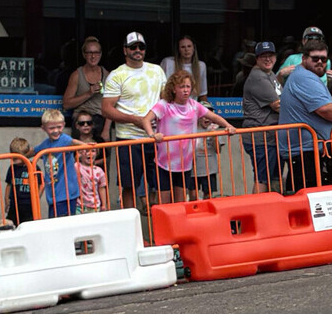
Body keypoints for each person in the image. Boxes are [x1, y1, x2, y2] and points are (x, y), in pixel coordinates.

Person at [145, 69, 233, 205]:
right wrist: (152, 134)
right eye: (181, 87)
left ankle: (177, 227)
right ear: (173, 89)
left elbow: (213, 116)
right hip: (164, 162)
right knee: (164, 203)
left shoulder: (194, 105)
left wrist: (228, 126)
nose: (185, 90)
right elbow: (146, 119)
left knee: (180, 203)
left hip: (185, 164)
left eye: (188, 86)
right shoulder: (164, 104)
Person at [101, 32, 166, 214]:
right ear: (125, 50)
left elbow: (165, 100)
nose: (137, 50)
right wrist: (135, 120)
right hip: (128, 139)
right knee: (129, 185)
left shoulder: (157, 70)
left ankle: (158, 229)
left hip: (156, 137)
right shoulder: (117, 75)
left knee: (160, 184)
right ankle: (132, 228)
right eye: (133, 47)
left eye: (141, 47)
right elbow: (106, 109)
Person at [278, 37, 332, 191]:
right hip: (304, 151)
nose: (320, 62)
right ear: (304, 58)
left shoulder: (309, 76)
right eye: (315, 58)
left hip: (310, 149)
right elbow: (325, 109)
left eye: (323, 58)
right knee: (308, 200)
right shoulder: (303, 77)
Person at [242, 41, 283, 193]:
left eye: (270, 55)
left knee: (273, 178)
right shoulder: (258, 77)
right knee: (262, 179)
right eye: (263, 56)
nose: (267, 59)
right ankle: (256, 213)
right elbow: (278, 105)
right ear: (257, 59)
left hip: (271, 136)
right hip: (260, 137)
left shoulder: (270, 74)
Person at [34, 109, 82, 219]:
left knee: (63, 224)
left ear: (64, 125)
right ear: (44, 128)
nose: (56, 131)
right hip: (53, 194)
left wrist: (86, 146)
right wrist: (21, 154)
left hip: (66, 193)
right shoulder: (46, 144)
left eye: (59, 127)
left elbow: (73, 141)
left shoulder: (64, 139)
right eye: (51, 128)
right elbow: (34, 150)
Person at [62, 37, 108, 141]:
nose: (93, 56)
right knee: (80, 155)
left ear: (100, 54)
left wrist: (106, 130)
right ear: (84, 54)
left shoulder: (107, 76)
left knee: (101, 156)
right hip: (81, 121)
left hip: (99, 121)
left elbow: (112, 105)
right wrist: (88, 93)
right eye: (90, 53)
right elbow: (66, 104)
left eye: (96, 53)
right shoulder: (77, 75)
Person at [3, 137, 36, 226]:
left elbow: (41, 184)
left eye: (18, 157)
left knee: (28, 225)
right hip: (14, 203)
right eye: (13, 157)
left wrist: (36, 198)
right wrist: (6, 200)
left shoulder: (32, 167)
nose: (15, 160)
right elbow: (9, 184)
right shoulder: (12, 168)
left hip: (28, 204)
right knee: (11, 225)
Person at [76, 147, 108, 213]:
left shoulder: (99, 171)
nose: (89, 153)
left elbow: (101, 188)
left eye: (93, 151)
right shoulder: (77, 166)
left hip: (94, 205)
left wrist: (104, 204)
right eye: (86, 151)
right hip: (80, 205)